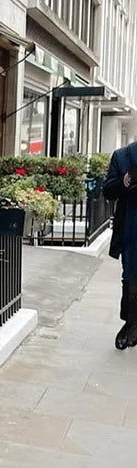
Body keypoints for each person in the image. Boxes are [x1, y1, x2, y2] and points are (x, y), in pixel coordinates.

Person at [103, 138, 137, 349]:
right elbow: (107, 191)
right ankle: (131, 323)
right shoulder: (123, 155)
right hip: (131, 226)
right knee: (131, 278)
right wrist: (124, 181)